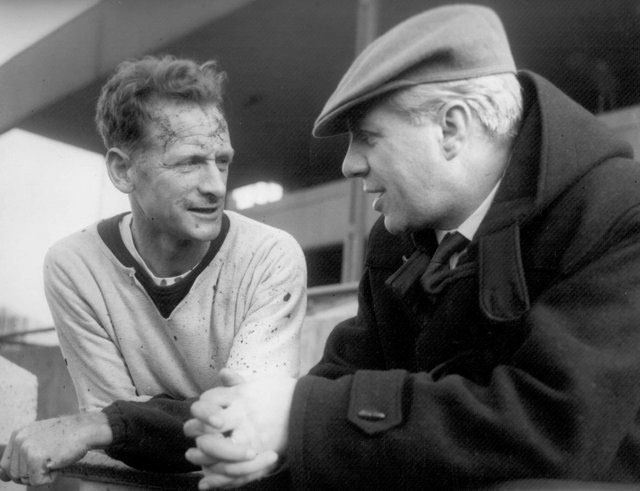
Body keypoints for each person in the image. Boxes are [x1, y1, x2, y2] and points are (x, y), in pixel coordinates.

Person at [183, 4, 640, 490]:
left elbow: (555, 432)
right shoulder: (400, 241)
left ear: (451, 128)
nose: (349, 165)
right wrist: (256, 440)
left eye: (367, 137)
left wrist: (300, 418)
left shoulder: (618, 216)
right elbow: (339, 383)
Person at [0, 55, 306, 486]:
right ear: (123, 170)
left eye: (222, 160)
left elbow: (244, 427)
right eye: (189, 162)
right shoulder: (75, 264)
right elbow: (123, 435)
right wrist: (115, 425)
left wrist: (112, 424)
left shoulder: (270, 254)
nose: (217, 185)